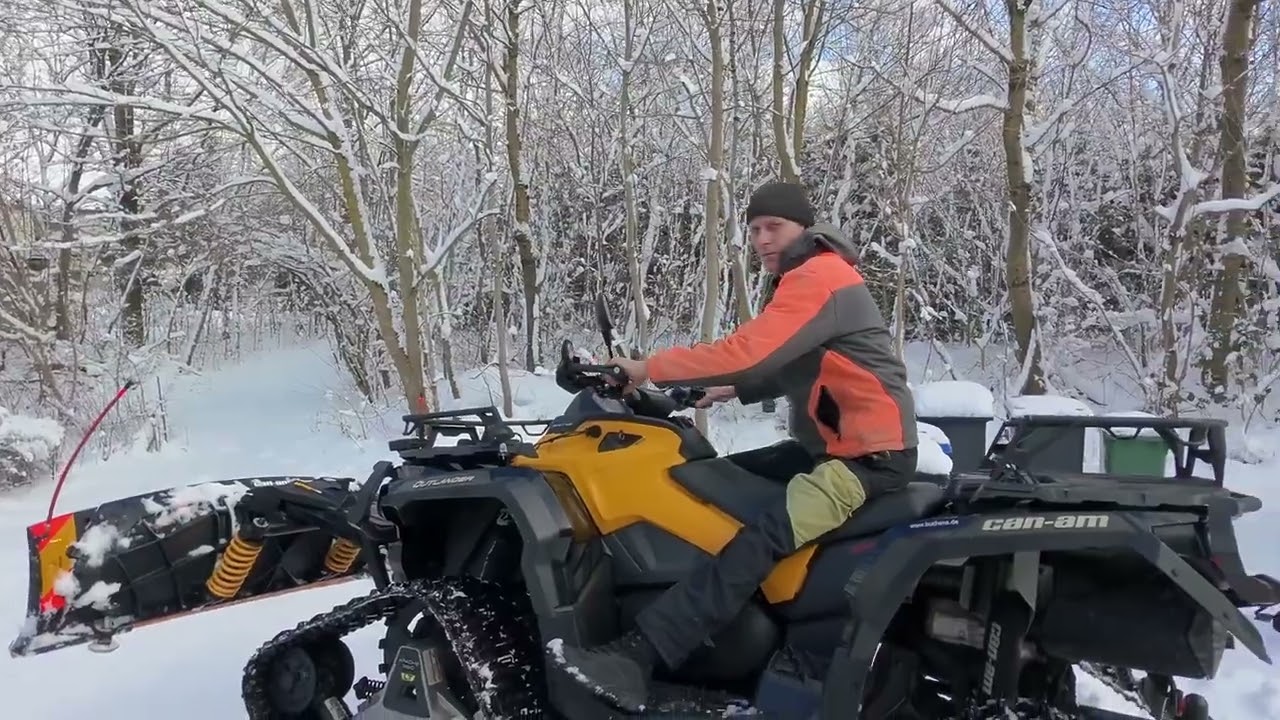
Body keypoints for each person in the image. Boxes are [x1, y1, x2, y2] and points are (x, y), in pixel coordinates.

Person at [546, 180, 918, 712]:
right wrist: (717, 390)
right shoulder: (815, 275)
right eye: (754, 230)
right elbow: (791, 364)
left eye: (774, 227)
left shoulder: (819, 276)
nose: (762, 239)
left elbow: (751, 351)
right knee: (719, 482)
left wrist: (648, 366)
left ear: (803, 229)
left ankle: (639, 656)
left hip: (867, 460)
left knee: (758, 535)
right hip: (839, 450)